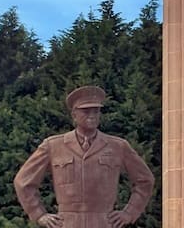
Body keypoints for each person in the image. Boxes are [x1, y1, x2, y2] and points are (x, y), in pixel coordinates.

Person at [13, 85, 156, 228]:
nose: (92, 115)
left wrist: (129, 212)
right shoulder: (53, 146)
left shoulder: (118, 146)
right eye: (86, 111)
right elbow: (23, 181)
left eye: (96, 111)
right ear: (74, 115)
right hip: (67, 223)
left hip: (104, 222)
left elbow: (145, 180)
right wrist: (39, 214)